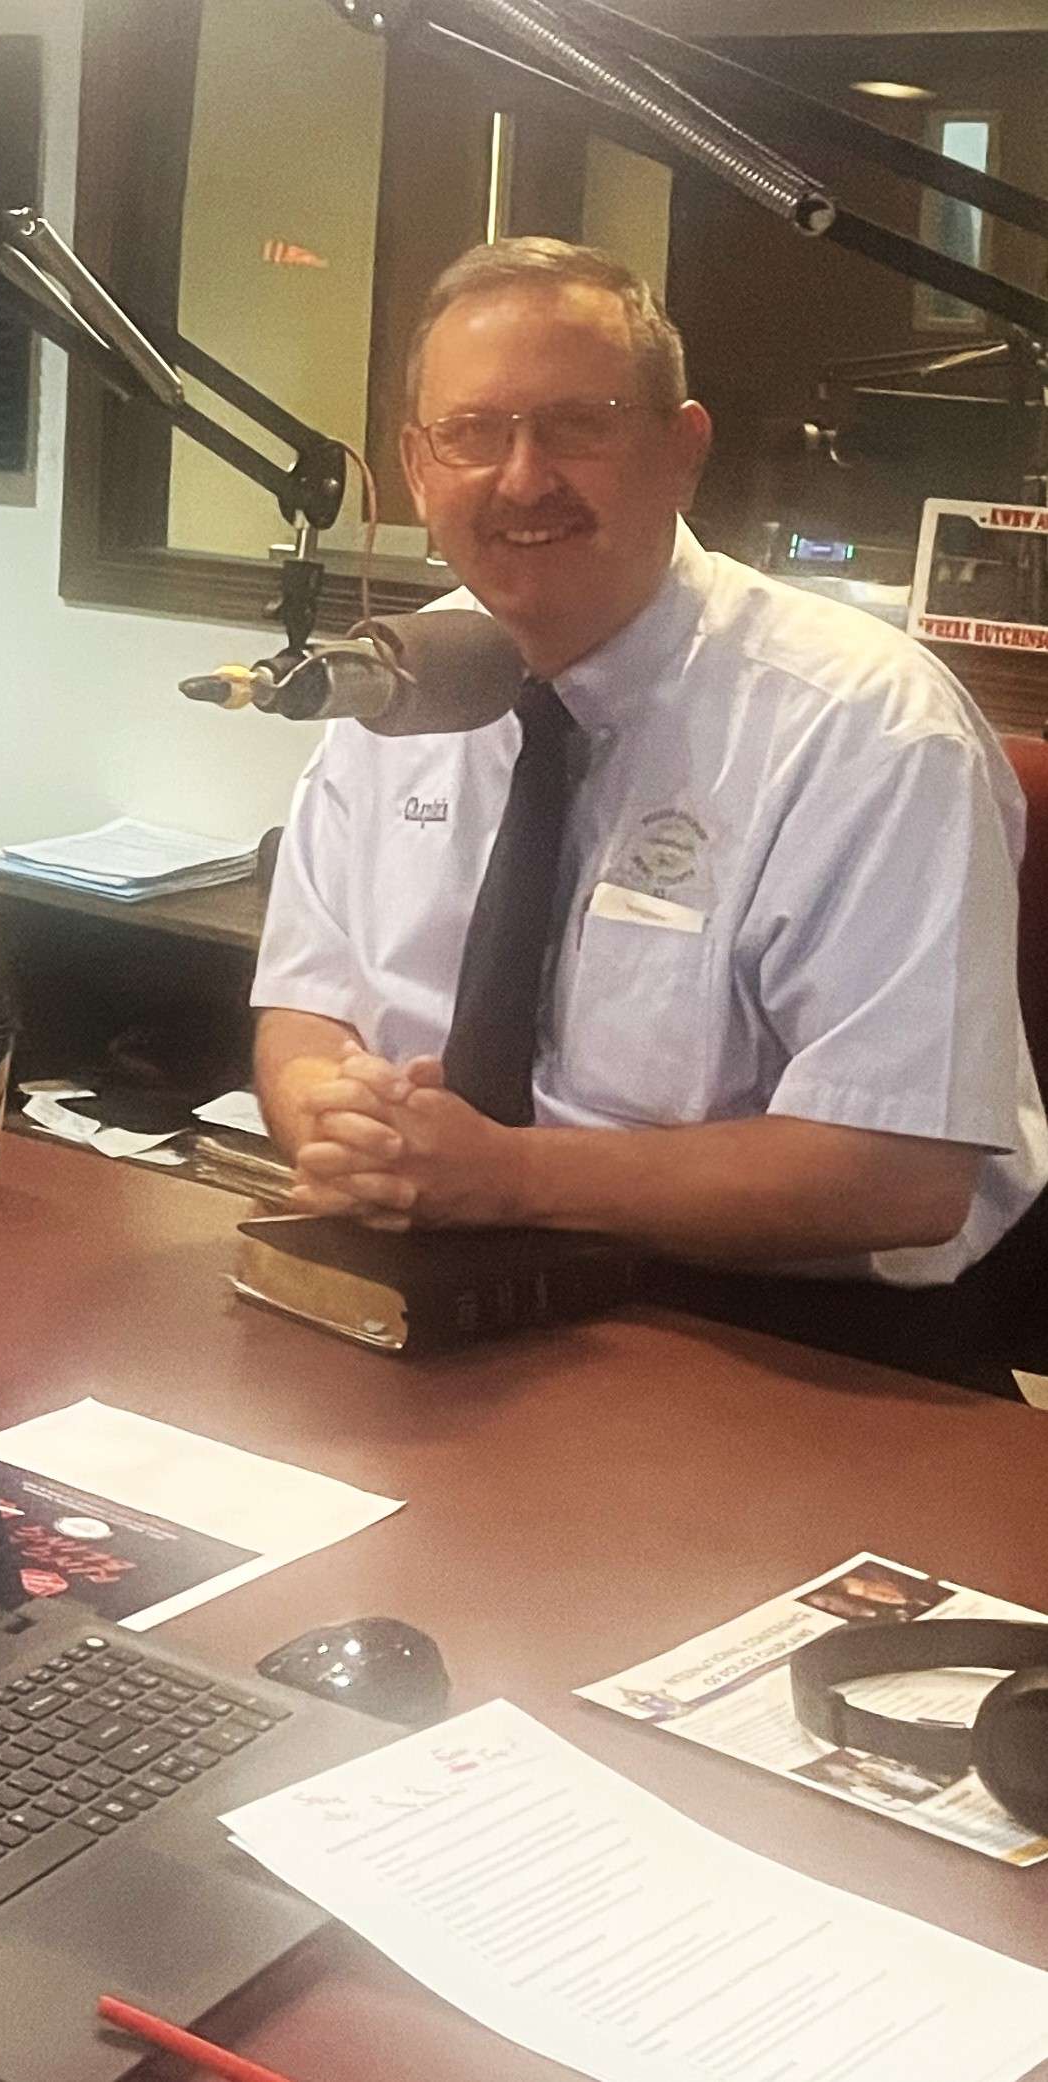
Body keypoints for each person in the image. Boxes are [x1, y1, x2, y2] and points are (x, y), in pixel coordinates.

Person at [250, 237, 1048, 1391]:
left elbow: (901, 1176)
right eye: (474, 435)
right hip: (438, 1285)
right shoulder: (396, 684)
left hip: (788, 1346)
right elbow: (304, 1005)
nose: (520, 478)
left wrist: (507, 1178)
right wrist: (335, 1123)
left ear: (681, 452)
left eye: (576, 424)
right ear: (420, 471)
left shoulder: (864, 727)